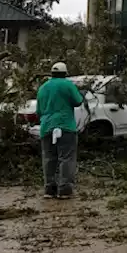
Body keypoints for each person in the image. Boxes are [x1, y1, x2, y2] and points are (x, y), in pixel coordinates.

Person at [36, 62, 84, 199]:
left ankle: (49, 189)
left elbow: (39, 111)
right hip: (65, 126)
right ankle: (64, 189)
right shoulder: (67, 85)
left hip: (46, 127)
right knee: (66, 158)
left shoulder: (42, 88)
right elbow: (78, 101)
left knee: (48, 158)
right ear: (65, 73)